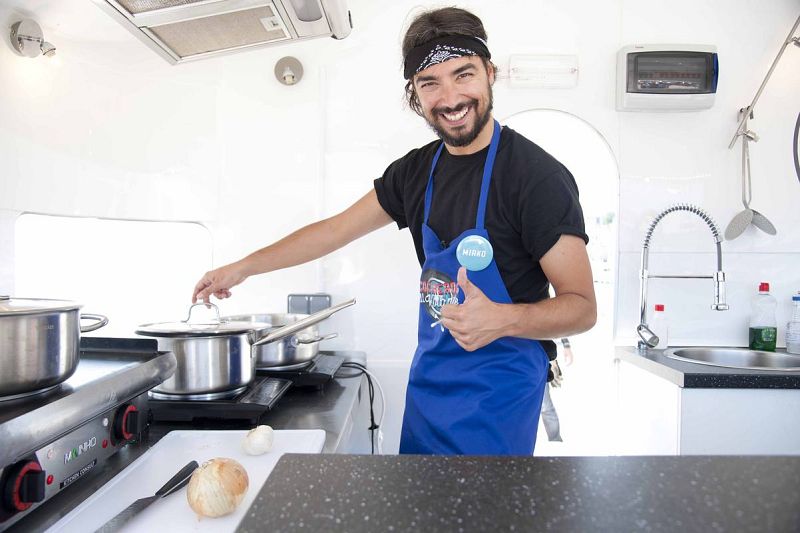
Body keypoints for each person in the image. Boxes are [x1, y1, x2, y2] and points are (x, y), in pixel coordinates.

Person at [192, 7, 596, 455]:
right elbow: (334, 231)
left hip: (499, 392)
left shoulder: (535, 177)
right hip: (431, 386)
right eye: (430, 83)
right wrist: (243, 267)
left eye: (464, 75)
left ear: (490, 74)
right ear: (414, 96)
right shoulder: (416, 172)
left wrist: (504, 318)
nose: (450, 97)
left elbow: (581, 308)